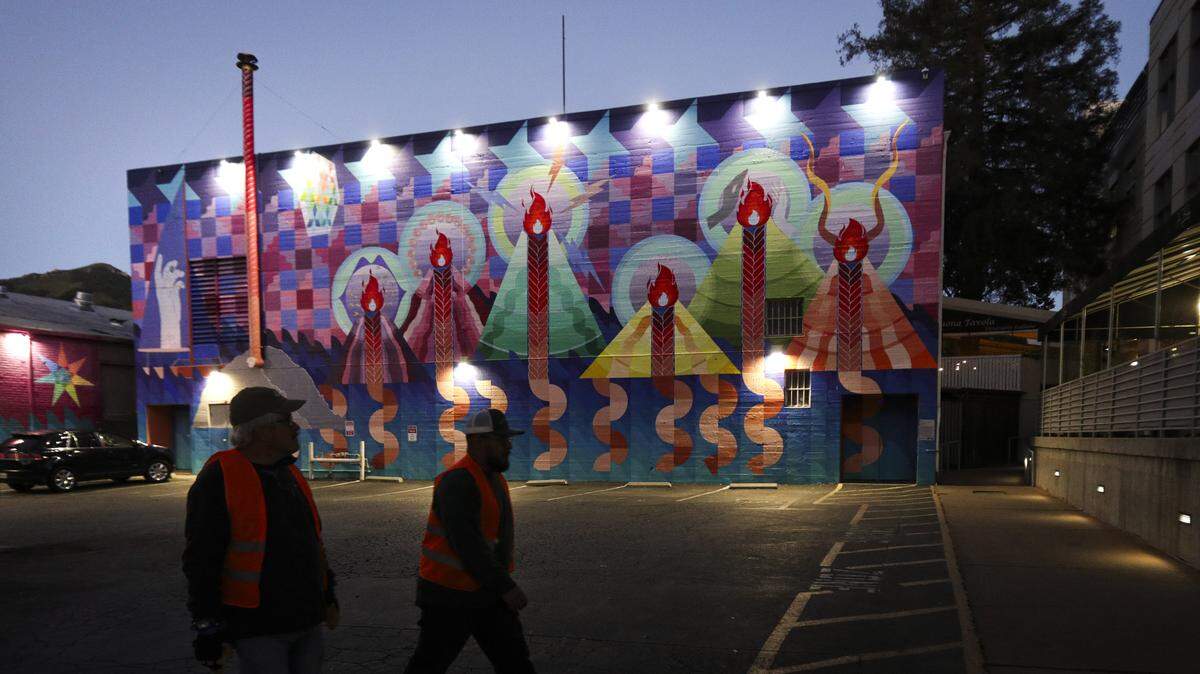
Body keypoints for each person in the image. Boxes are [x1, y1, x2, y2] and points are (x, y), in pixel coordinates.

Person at [183, 386, 339, 673]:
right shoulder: (220, 478)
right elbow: (202, 558)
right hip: (258, 626)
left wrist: (328, 594)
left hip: (306, 615)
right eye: (286, 420)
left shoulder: (288, 472)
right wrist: (208, 625)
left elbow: (311, 542)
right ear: (264, 430)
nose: (295, 427)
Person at [405, 408, 536, 673]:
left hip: (485, 594)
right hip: (449, 597)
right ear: (477, 442)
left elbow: (493, 542)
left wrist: (499, 588)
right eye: (501, 439)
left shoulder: (495, 479)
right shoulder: (457, 482)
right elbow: (468, 544)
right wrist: (506, 587)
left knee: (516, 663)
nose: (509, 445)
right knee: (428, 664)